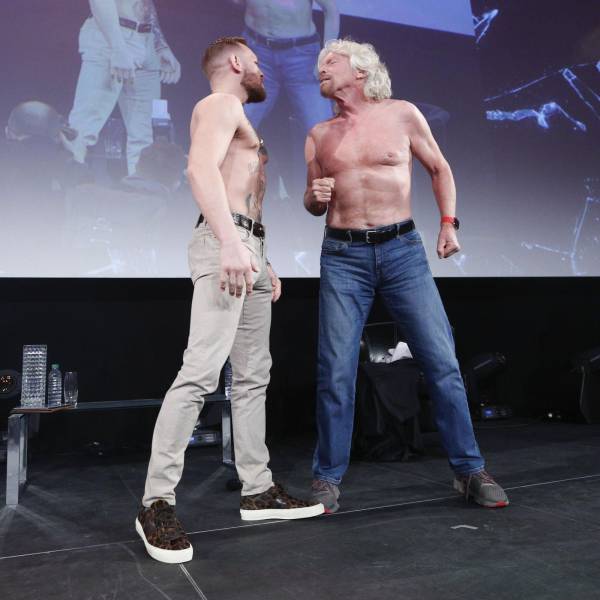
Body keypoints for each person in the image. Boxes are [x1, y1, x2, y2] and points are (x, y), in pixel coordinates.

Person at [136, 36, 323, 565]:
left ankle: (257, 489)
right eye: (257, 63)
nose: (262, 71)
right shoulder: (220, 103)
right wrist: (231, 244)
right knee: (200, 372)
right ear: (237, 63)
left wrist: (261, 256)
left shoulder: (238, 114)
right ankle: (155, 502)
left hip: (248, 247)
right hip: (227, 243)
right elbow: (199, 171)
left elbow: (241, 192)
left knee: (252, 377)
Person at [304, 39, 509, 513]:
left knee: (441, 361)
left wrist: (448, 223)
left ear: (360, 71)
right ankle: (327, 478)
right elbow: (313, 202)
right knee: (335, 371)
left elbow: (439, 168)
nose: (321, 69)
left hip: (402, 251)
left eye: (330, 62)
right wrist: (313, 197)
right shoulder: (318, 134)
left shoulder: (402, 114)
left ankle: (469, 469)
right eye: (319, 64)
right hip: (344, 255)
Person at [68, 0, 181, 174]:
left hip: (145, 40)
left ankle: (140, 190)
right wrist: (118, 48)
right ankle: (63, 188)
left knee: (144, 140)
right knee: (82, 130)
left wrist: (160, 45)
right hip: (111, 37)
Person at [230, 0, 338, 136]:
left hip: (301, 57)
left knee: (321, 129)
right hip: (257, 52)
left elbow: (331, 10)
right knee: (237, 125)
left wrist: (327, 55)